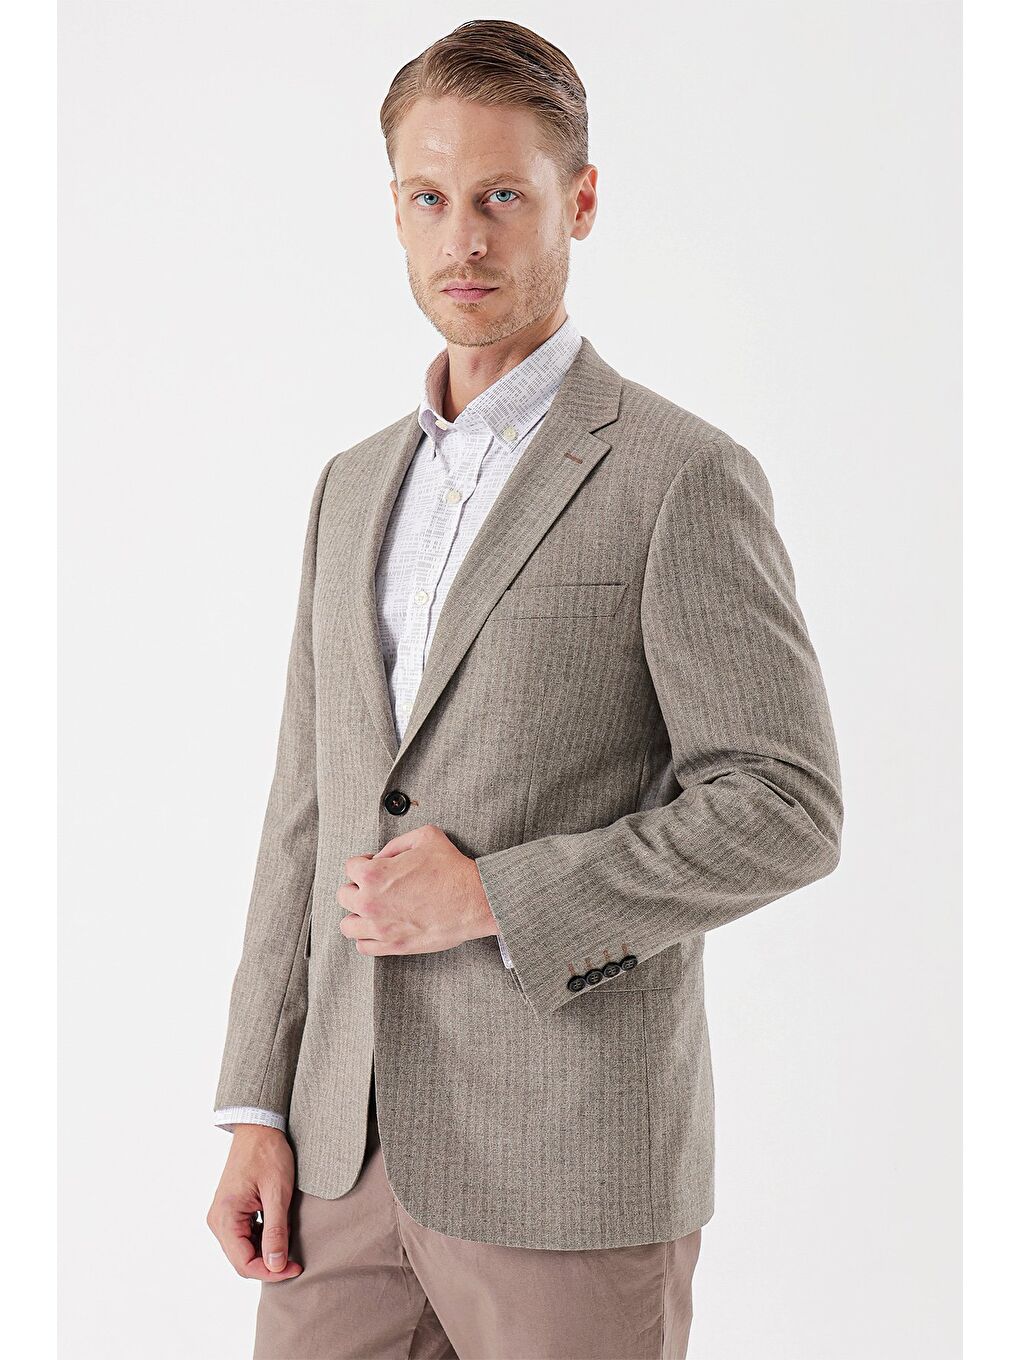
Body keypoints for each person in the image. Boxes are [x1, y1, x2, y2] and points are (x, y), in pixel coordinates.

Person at [206, 18, 843, 1359]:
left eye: (503, 195)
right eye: (429, 198)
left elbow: (785, 807)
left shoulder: (680, 476)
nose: (466, 240)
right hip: (342, 1159)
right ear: (393, 209)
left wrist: (496, 895)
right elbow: (306, 814)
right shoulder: (349, 488)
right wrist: (258, 1106)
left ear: (581, 201)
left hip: (569, 1163)